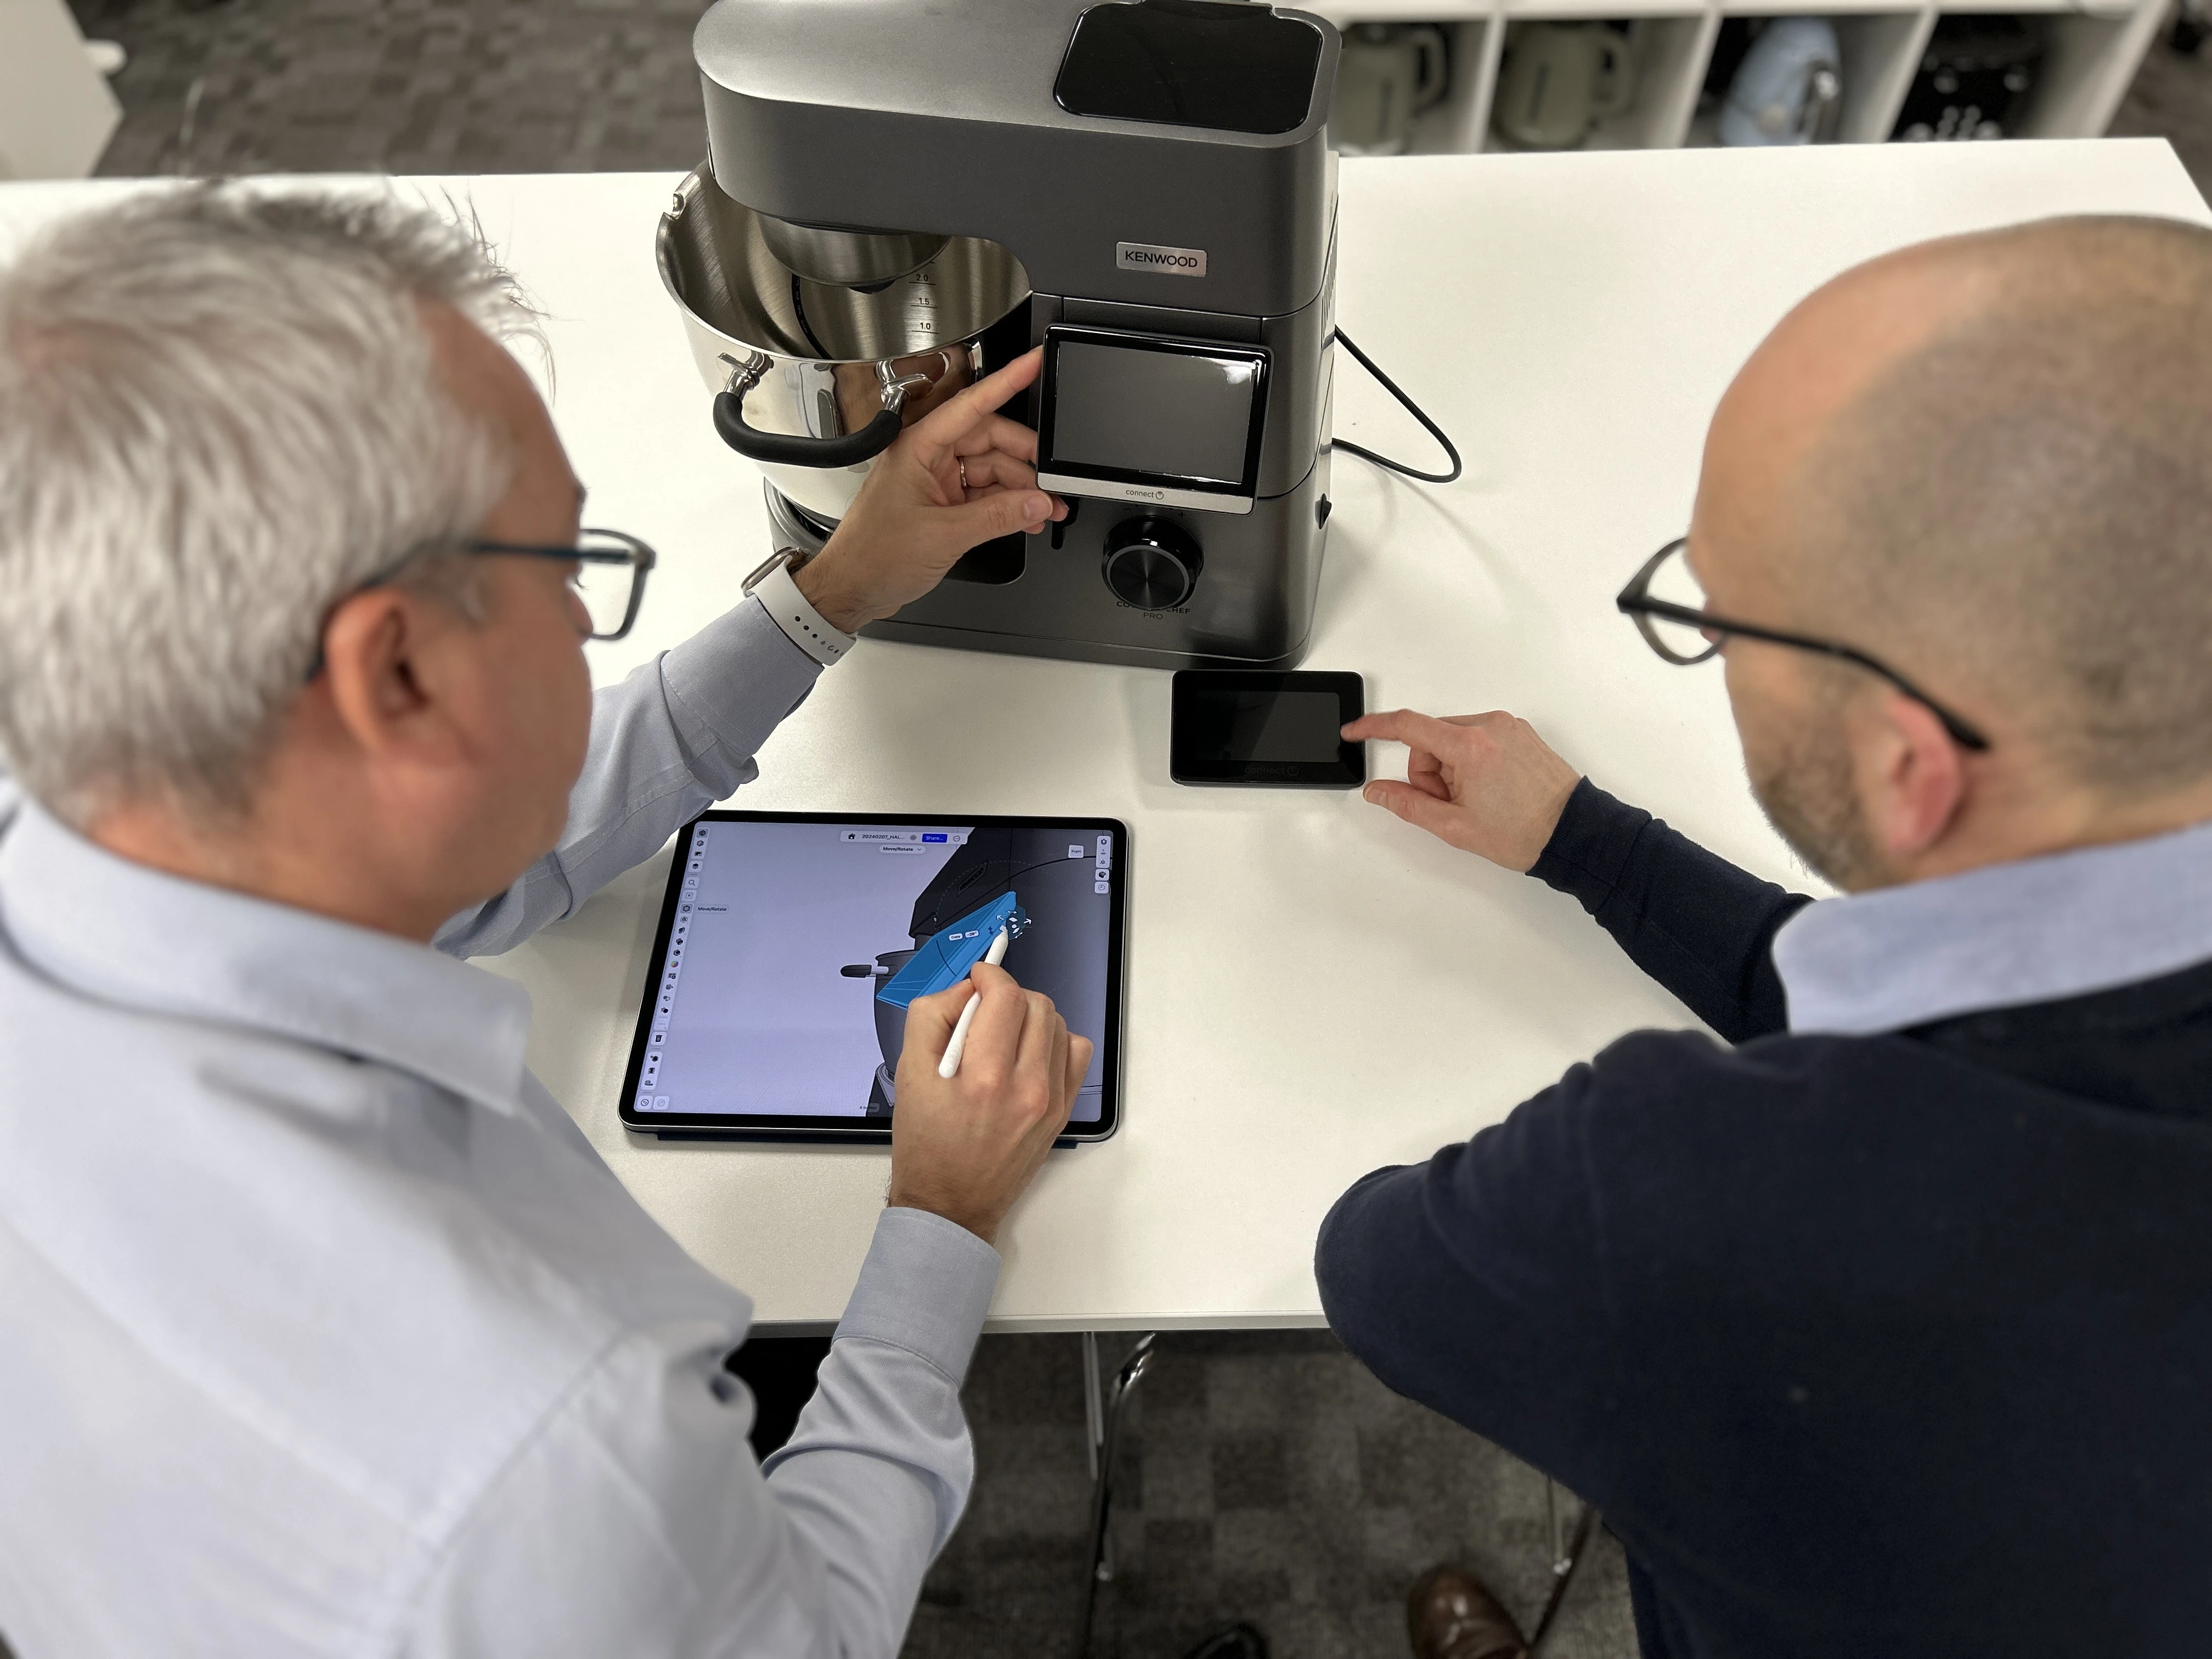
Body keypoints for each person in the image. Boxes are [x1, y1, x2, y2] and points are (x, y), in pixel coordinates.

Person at [0, 183, 1086, 1656]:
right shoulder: (556, 1464)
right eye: (566, 571)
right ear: (395, 679)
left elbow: (487, 863)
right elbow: (811, 1630)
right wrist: (937, 1222)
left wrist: (829, 594)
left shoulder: (111, 807)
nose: (585, 621)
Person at [1317, 213, 2212, 1658]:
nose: (1713, 644)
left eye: (1719, 618)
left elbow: (1375, 1270)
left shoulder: (1681, 1194)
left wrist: (1609, 1152)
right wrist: (1583, 841)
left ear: (1911, 769)